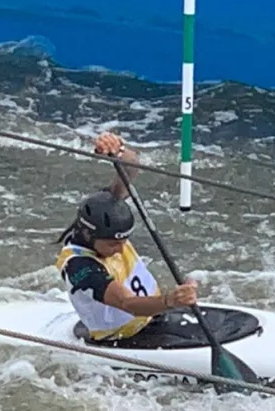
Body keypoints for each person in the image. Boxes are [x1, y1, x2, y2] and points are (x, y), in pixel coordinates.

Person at [55, 131, 199, 341]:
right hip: (121, 337)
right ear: (88, 234)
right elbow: (127, 304)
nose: (121, 249)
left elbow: (131, 168)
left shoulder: (105, 210)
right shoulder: (80, 267)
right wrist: (171, 301)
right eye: (113, 243)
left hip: (153, 316)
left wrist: (118, 149)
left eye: (123, 241)